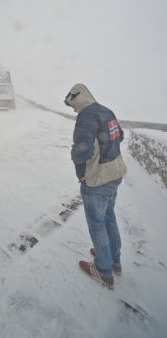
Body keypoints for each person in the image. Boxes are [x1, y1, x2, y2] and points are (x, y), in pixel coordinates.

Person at [64, 84, 127, 290]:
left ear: (77, 97)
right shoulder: (106, 111)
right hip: (115, 172)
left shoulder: (86, 115)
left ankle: (103, 270)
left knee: (97, 224)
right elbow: (121, 136)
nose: (73, 109)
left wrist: (81, 173)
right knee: (109, 217)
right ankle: (113, 260)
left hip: (97, 178)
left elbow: (80, 150)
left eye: (72, 103)